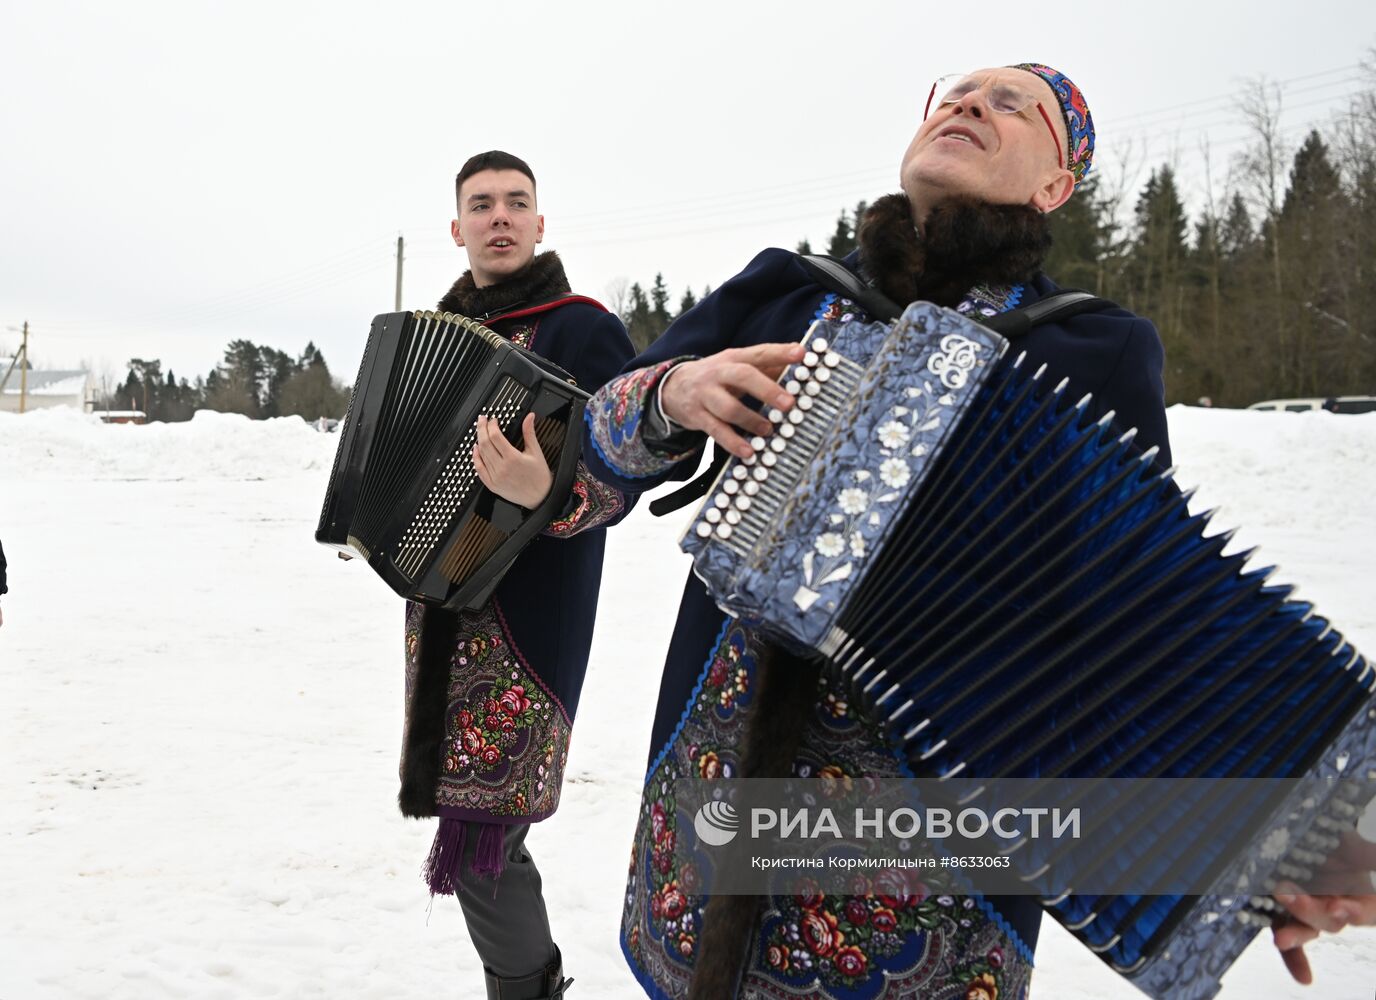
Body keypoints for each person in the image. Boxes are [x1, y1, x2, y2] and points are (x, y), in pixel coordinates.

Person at [581, 66, 1375, 998]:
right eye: (953, 95)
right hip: (711, 816)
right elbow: (590, 476)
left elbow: (1135, 623)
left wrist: (1267, 838)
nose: (966, 106)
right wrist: (670, 394)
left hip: (921, 883)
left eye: (1009, 105)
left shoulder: (1093, 347)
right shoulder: (789, 292)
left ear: (1056, 184)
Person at [397, 150, 635, 1000]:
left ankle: (526, 989)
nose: (500, 216)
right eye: (482, 204)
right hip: (442, 607)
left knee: (483, 830)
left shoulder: (582, 329)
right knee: (476, 827)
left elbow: (632, 468)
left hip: (527, 619)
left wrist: (555, 493)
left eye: (517, 202)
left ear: (541, 223)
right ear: (457, 229)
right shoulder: (434, 332)